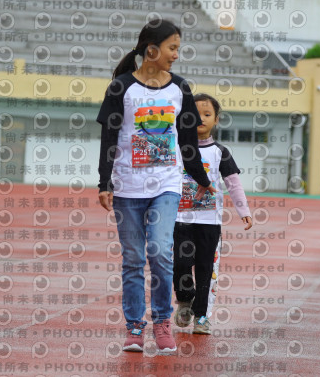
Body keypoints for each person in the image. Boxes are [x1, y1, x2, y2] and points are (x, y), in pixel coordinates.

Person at [96, 19, 215, 354]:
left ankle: (162, 321)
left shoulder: (180, 89)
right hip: (127, 187)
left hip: (166, 184)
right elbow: (109, 138)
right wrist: (104, 181)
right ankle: (135, 326)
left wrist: (202, 179)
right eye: (172, 48)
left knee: (161, 252)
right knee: (134, 259)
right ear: (151, 49)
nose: (176, 55)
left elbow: (188, 142)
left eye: (178, 48)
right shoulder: (121, 88)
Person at [173, 93, 253, 335]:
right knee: (181, 264)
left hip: (209, 222)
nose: (201, 119)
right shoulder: (177, 149)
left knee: (206, 269)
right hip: (180, 220)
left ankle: (202, 316)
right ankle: (184, 299)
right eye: (195, 114)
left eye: (207, 114)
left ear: (216, 119)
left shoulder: (220, 152)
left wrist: (243, 210)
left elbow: (233, 183)